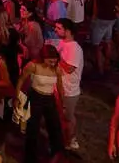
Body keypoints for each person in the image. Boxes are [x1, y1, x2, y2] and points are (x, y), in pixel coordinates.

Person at [17, 44, 65, 162]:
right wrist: (17, 96)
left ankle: (56, 153)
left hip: (49, 98)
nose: (53, 64)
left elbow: (60, 87)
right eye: (50, 61)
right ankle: (30, 157)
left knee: (55, 126)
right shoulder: (33, 66)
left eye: (55, 61)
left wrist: (61, 103)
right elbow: (21, 79)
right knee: (32, 127)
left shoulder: (57, 69)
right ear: (43, 58)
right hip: (36, 97)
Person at [54, 18, 83, 151]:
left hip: (69, 90)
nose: (55, 30)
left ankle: (71, 140)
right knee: (61, 116)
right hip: (59, 87)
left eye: (59, 28)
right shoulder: (62, 43)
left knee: (68, 117)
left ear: (68, 31)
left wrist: (56, 57)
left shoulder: (75, 49)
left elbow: (70, 68)